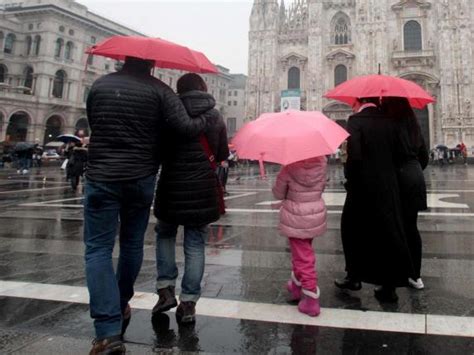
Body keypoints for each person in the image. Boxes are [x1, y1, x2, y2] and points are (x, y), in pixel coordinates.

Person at [84, 57, 214, 355]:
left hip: (102, 175)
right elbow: (184, 127)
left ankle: (107, 329)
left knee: (97, 249)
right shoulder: (159, 90)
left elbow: (94, 121)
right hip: (140, 176)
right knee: (131, 244)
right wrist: (207, 117)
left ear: (122, 60)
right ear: (151, 65)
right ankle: (120, 303)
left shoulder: (100, 85)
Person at [152, 73, 229, 324]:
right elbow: (220, 155)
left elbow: (157, 148)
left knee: (165, 233)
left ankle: (165, 290)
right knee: (195, 243)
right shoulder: (215, 116)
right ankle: (188, 303)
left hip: (171, 183)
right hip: (202, 187)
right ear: (203, 88)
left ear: (179, 89)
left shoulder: (167, 111)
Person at [335, 98, 414, 302]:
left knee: (352, 231)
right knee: (389, 233)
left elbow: (355, 156)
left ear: (359, 101)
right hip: (388, 186)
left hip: (362, 187)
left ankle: (354, 277)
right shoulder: (392, 120)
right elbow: (404, 152)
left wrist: (350, 177)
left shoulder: (355, 120)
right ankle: (389, 285)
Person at [272, 156, 328, 317]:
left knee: (304, 257)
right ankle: (296, 286)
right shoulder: (321, 163)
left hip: (295, 215)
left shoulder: (289, 167)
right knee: (302, 251)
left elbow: (278, 193)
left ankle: (311, 298)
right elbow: (322, 187)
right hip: (314, 213)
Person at [383, 98, 429, 291]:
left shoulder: (389, 126)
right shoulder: (414, 127)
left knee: (394, 229)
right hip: (415, 178)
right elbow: (424, 157)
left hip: (397, 180)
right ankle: (415, 276)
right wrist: (414, 169)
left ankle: (392, 279)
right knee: (411, 228)